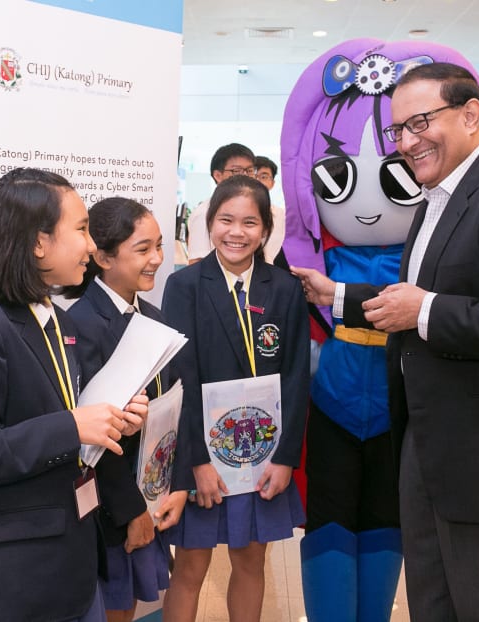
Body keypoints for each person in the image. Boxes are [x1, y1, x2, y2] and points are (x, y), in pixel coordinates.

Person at [293, 62, 479, 620]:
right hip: (435, 457)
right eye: (398, 129)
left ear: (471, 113)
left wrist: (425, 310)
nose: (407, 142)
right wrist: (338, 295)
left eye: (421, 122)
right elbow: (433, 292)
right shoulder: (439, 195)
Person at [0, 167, 149, 622]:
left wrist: (116, 418)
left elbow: (69, 412)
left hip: (70, 560)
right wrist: (71, 427)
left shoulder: (58, 322)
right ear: (38, 243)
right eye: (81, 229)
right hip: (14, 578)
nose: (90, 245)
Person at [161, 175, 309, 621]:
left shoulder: (283, 289)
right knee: (190, 566)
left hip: (261, 456)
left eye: (249, 222)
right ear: (210, 223)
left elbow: (296, 377)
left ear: (265, 229)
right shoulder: (185, 286)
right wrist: (197, 463)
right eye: (226, 220)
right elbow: (179, 381)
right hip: (202, 457)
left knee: (250, 560)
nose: (236, 232)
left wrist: (284, 458)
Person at [64, 196, 186, 622]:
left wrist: (170, 487)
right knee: (110, 607)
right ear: (103, 257)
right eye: (143, 249)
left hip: (148, 492)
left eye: (159, 246)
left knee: (128, 606)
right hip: (112, 506)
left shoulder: (153, 316)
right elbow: (94, 435)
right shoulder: (81, 324)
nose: (157, 259)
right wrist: (132, 509)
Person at [186, 143, 256, 264]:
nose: (245, 176)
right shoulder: (204, 212)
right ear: (218, 175)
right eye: (237, 170)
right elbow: (197, 262)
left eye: (249, 171)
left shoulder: (254, 208)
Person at [252, 155, 286, 264]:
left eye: (264, 177)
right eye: (253, 176)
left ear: (272, 183)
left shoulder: (282, 215)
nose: (257, 181)